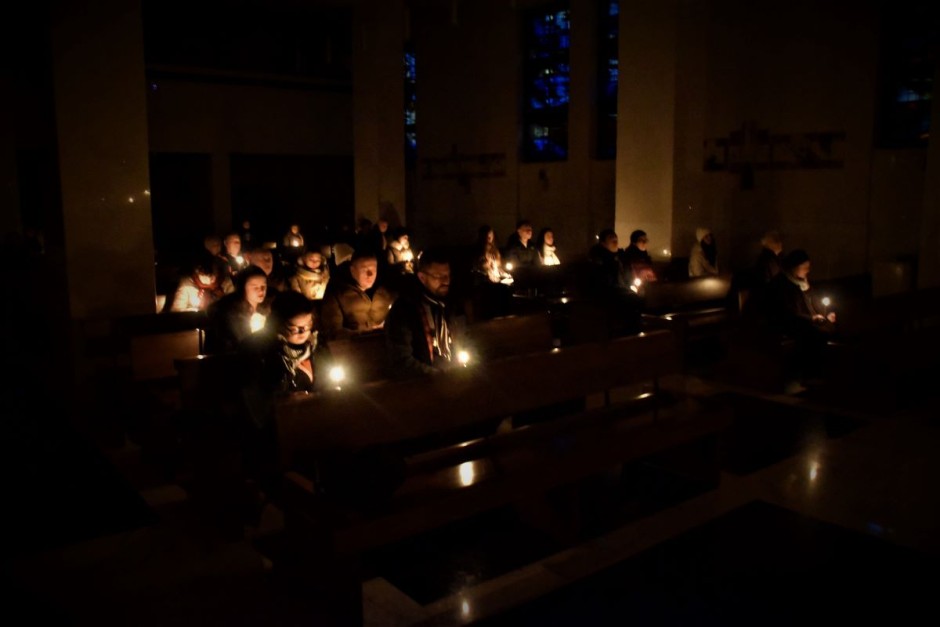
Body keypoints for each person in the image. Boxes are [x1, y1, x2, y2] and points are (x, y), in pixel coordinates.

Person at [385, 247, 465, 378]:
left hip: (454, 378)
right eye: (438, 276)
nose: (446, 281)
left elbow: (464, 340)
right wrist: (439, 376)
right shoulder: (405, 309)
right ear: (422, 277)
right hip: (424, 384)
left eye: (448, 275)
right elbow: (401, 360)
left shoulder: (450, 305)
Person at [766, 249, 837, 387]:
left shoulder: (803, 281)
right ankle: (809, 374)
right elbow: (786, 312)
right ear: (794, 267)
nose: (808, 270)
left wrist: (826, 314)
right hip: (788, 322)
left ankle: (829, 370)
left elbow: (815, 301)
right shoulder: (781, 284)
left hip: (807, 319)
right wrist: (811, 319)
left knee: (831, 327)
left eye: (808, 267)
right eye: (804, 267)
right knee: (815, 333)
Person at [320, 250, 396, 339]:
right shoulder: (336, 291)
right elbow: (333, 331)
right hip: (354, 346)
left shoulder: (385, 288)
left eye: (373, 269)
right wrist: (365, 334)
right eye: (364, 269)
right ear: (352, 270)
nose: (370, 274)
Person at [204, 266, 271, 354]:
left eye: (263, 286)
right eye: (255, 287)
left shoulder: (268, 308)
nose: (261, 290)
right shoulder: (230, 315)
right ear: (243, 288)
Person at [168, 251, 234, 312]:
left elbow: (234, 308)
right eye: (206, 275)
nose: (212, 280)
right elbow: (176, 311)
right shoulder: (187, 284)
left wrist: (223, 299)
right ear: (197, 272)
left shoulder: (225, 282)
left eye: (215, 275)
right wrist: (196, 312)